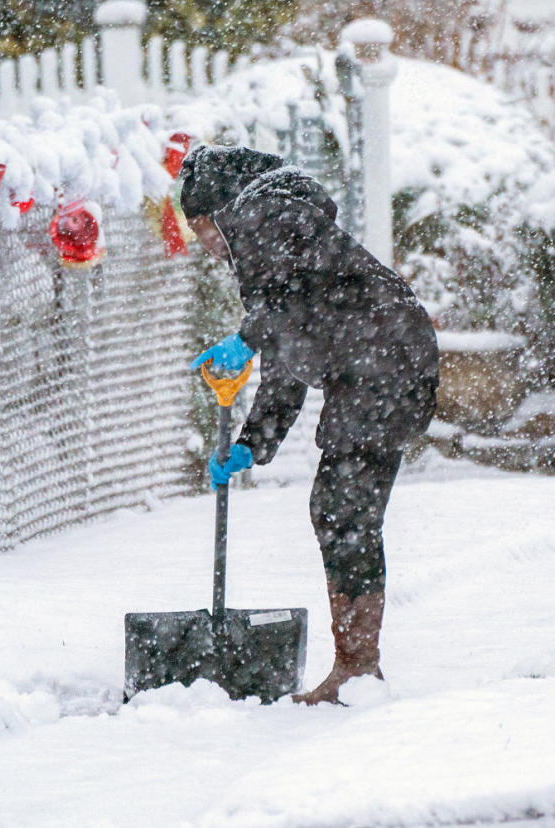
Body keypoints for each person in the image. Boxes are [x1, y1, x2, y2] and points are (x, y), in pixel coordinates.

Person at [180, 144, 439, 705]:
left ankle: (357, 668)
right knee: (342, 510)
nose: (203, 243)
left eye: (200, 225)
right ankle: (356, 665)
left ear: (220, 209)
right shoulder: (272, 227)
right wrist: (253, 442)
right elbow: (289, 352)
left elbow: (291, 307)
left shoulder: (268, 215)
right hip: (384, 360)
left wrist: (245, 338)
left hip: (380, 360)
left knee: (344, 509)